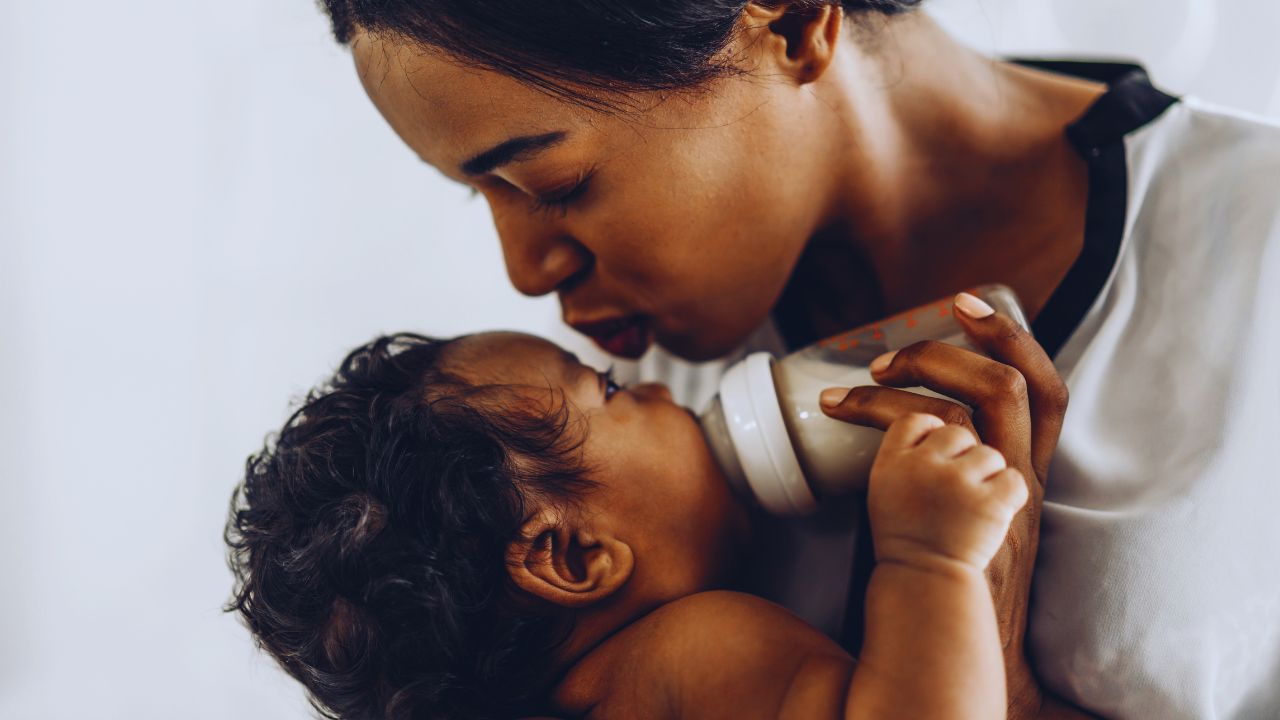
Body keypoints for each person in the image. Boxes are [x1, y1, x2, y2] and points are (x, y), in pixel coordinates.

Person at [315, 1, 1280, 718]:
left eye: (551, 181)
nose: (525, 274)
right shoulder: (611, 427)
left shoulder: (1255, 243)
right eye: (476, 192)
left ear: (790, 24)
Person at [226, 315, 1036, 719]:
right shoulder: (689, 659)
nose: (654, 387)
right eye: (607, 393)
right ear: (572, 557)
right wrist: (929, 559)